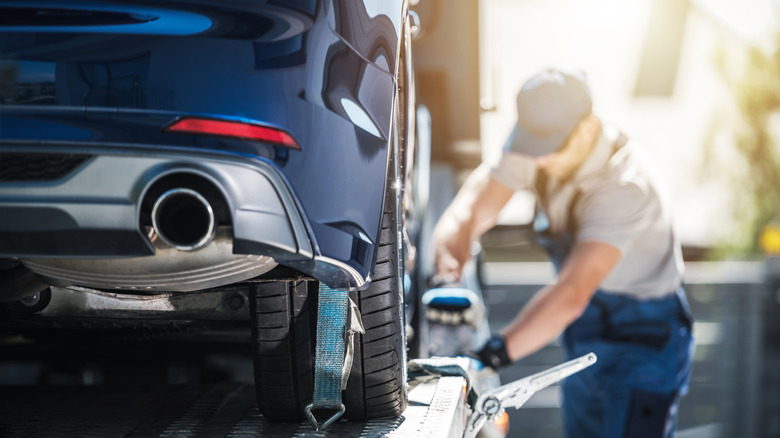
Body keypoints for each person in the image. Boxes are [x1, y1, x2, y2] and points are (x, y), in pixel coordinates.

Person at [432, 66, 695, 438]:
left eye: (549, 148)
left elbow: (572, 293)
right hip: (586, 329)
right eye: (531, 146)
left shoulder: (625, 185)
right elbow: (467, 212)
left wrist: (489, 356)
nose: (538, 160)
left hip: (643, 337)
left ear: (587, 128)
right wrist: (446, 277)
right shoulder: (537, 144)